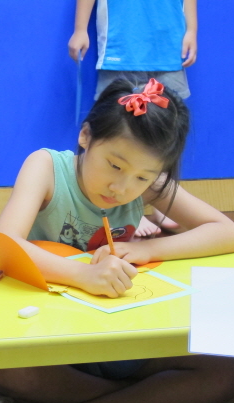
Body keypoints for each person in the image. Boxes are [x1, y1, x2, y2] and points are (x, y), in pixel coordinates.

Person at [0, 78, 234, 403]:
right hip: (54, 339)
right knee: (7, 371)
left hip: (122, 338)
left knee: (224, 375)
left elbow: (226, 233)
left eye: (142, 177)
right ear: (85, 136)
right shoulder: (47, 167)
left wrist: (148, 249)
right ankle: (140, 399)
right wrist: (83, 274)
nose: (122, 188)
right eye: (114, 165)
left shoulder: (149, 184)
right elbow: (4, 244)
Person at [68, 0, 198, 237]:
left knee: (162, 133)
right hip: (122, 46)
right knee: (119, 135)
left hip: (168, 45)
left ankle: (159, 202)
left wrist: (191, 30)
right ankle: (124, 213)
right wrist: (80, 29)